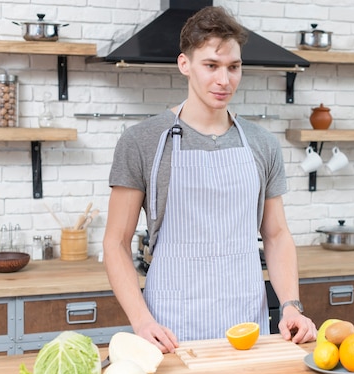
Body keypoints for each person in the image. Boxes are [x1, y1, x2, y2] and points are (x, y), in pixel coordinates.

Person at [103, 6, 317, 353]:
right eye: (211, 66)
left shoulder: (261, 143)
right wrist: (142, 320)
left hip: (247, 320)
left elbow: (276, 235)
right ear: (184, 64)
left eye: (234, 67)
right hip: (169, 323)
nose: (224, 80)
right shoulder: (141, 140)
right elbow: (115, 242)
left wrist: (291, 303)